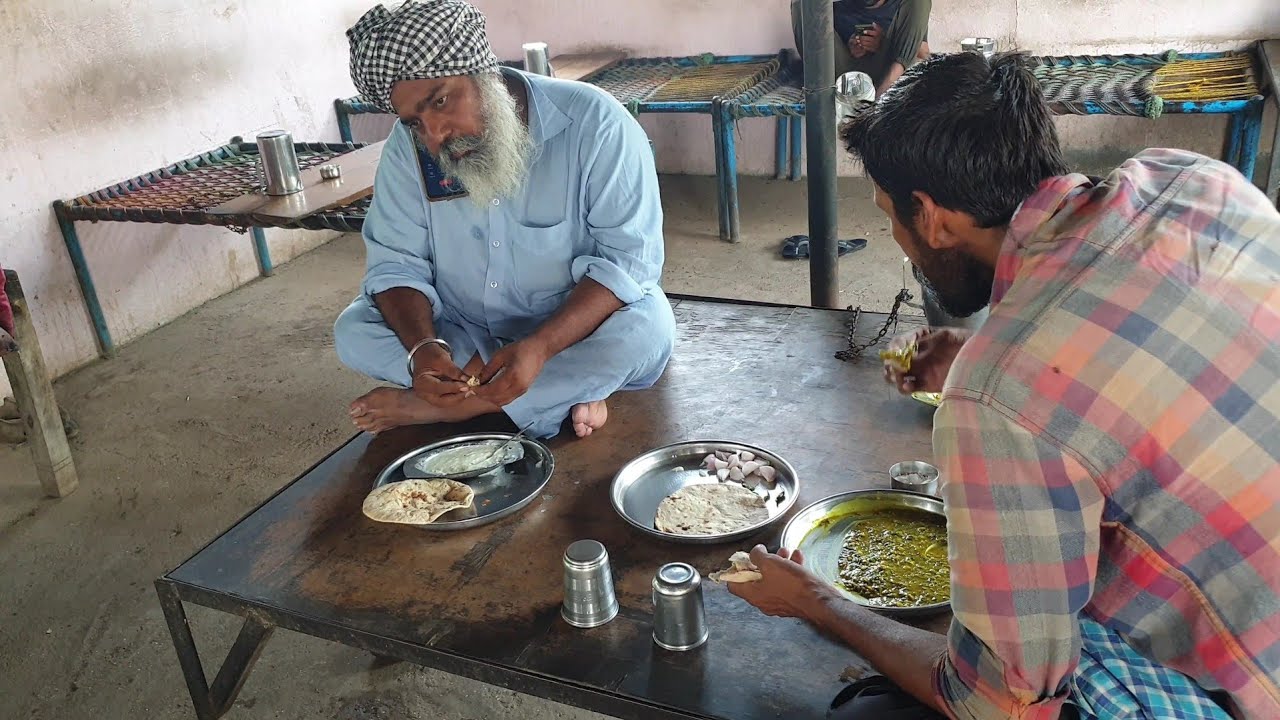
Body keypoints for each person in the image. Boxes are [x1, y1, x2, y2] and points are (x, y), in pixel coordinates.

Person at [730, 52, 1280, 720]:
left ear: (930, 215)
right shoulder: (1190, 179)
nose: (899, 239)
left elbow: (999, 703)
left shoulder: (996, 399)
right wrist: (981, 355)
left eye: (891, 218)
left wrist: (815, 602)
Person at [335, 0, 675, 439]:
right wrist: (424, 350)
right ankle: (554, 394)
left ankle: (456, 409)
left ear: (483, 73)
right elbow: (395, 263)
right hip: (460, 329)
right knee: (353, 329)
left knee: (644, 330)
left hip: (570, 332)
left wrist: (540, 347)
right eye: (415, 121)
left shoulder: (597, 125)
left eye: (440, 101)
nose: (434, 136)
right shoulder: (411, 148)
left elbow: (627, 263)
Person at [790, 0, 932, 97]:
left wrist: (884, 42)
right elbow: (824, 50)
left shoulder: (904, 7)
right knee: (803, 3)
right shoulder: (838, 9)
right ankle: (819, 94)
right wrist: (850, 47)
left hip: (887, 75)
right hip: (842, 78)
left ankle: (882, 95)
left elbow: (924, 55)